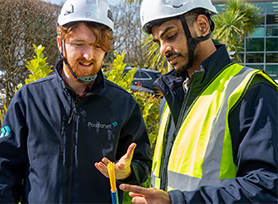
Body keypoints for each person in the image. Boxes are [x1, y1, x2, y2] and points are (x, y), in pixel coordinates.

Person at [0, 0, 151, 203]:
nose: (88, 55)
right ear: (60, 43)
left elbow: (142, 163)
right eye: (78, 44)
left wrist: (128, 171)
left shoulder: (123, 104)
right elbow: (4, 173)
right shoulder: (29, 99)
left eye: (97, 46)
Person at [119, 0, 278, 203]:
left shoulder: (250, 89)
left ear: (202, 26)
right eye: (158, 41)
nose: (163, 49)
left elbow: (265, 188)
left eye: (171, 36)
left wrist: (175, 201)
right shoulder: (171, 97)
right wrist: (130, 173)